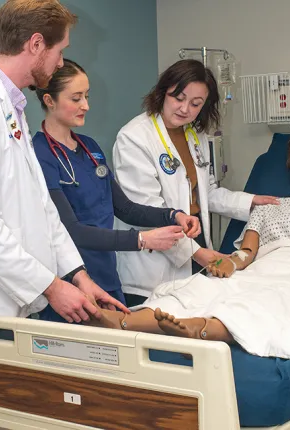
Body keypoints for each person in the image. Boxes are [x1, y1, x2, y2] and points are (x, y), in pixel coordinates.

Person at [0, 2, 127, 429]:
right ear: (36, 44)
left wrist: (78, 277)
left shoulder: (11, 110)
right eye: (60, 51)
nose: (61, 61)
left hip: (13, 306)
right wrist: (52, 286)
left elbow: (41, 209)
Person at [85, 128, 290, 377]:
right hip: (264, 266)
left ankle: (200, 329)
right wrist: (229, 264)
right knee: (202, 288)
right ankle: (123, 321)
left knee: (268, 300)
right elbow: (247, 252)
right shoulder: (269, 209)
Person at [31, 59, 201, 316]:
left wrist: (172, 215)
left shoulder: (90, 148)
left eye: (87, 96)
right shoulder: (40, 155)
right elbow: (72, 232)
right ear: (49, 100)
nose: (86, 106)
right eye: (76, 98)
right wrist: (142, 240)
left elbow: (124, 208)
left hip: (107, 276)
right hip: (70, 282)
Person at [113, 59, 279, 305]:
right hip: (154, 259)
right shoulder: (134, 137)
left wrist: (251, 202)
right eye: (178, 98)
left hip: (194, 238)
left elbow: (205, 193)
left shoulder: (194, 135)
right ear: (162, 92)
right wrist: (199, 254)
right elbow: (146, 211)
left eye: (195, 104)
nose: (185, 109)